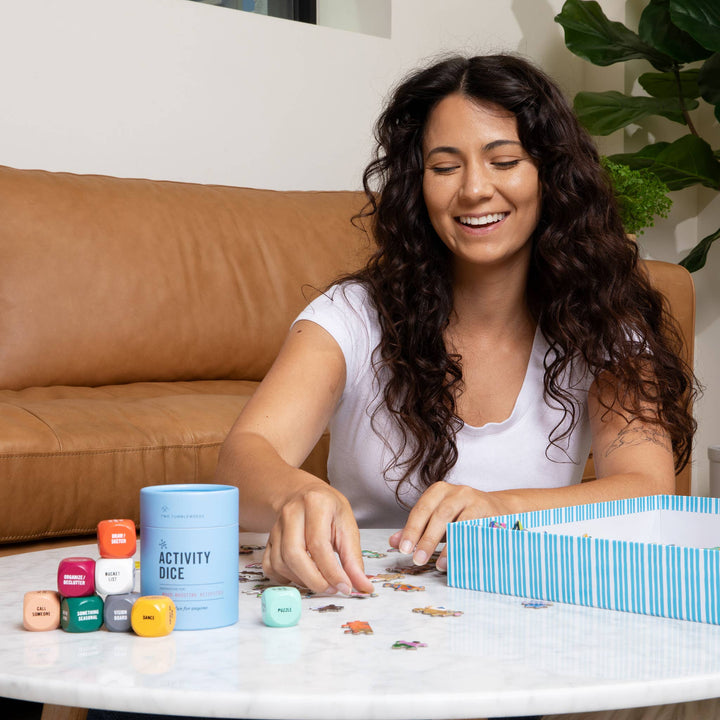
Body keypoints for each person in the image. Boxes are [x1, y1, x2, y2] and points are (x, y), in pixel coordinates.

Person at [214, 53, 696, 600]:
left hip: (525, 611)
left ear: (551, 175)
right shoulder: (352, 314)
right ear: (418, 186)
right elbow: (243, 455)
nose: (473, 190)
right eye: (444, 167)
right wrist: (294, 496)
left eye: (503, 160)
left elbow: (647, 486)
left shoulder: (603, 324)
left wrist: (498, 508)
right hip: (363, 608)